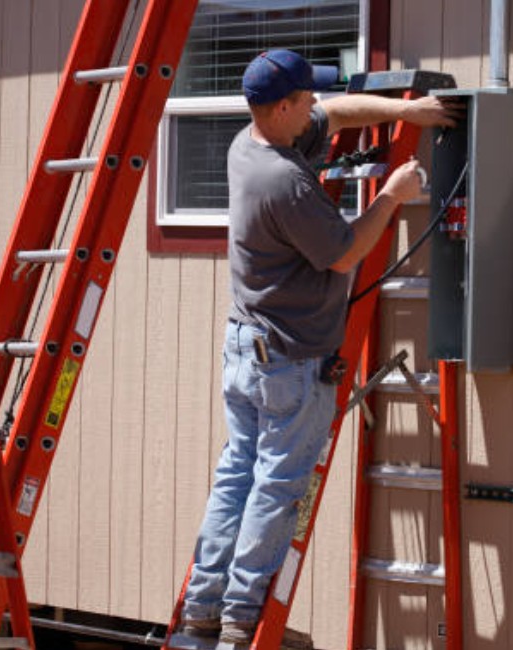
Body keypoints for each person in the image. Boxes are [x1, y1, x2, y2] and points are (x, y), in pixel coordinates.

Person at [178, 49, 459, 646]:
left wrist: (414, 111)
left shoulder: (248, 145)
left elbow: (334, 115)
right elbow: (343, 252)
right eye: (304, 100)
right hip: (288, 360)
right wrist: (393, 190)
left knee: (236, 476)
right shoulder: (284, 181)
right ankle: (240, 613)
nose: (313, 108)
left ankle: (204, 604)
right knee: (277, 485)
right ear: (281, 107)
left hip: (247, 347)